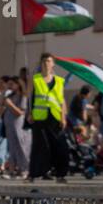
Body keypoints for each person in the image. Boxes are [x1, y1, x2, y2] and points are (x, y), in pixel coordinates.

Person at [28, 53, 69, 183]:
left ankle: (60, 174)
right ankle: (34, 174)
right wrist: (29, 113)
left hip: (55, 117)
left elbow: (61, 100)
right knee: (39, 146)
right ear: (41, 63)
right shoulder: (35, 79)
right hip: (39, 117)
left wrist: (63, 118)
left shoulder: (59, 80)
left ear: (53, 64)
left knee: (60, 146)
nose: (46, 63)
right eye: (44, 61)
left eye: (49, 61)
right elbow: (29, 98)